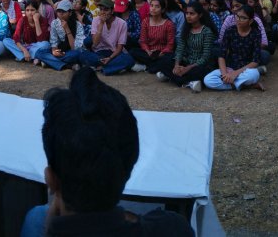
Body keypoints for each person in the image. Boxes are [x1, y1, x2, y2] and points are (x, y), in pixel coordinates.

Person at [19, 68, 193, 237]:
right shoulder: (174, 228)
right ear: (131, 165)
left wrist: (51, 228)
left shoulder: (41, 223)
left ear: (50, 179)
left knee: (36, 216)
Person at [204, 5, 265, 92]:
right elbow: (222, 55)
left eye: (243, 18)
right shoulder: (230, 31)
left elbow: (255, 61)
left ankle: (235, 84)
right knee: (208, 80)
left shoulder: (255, 33)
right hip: (230, 68)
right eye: (237, 16)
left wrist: (235, 74)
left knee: (254, 74)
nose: (239, 20)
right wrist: (225, 74)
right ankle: (245, 86)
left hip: (245, 70)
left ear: (250, 21)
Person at [80, 0, 136, 74]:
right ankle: (111, 67)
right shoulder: (96, 20)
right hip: (99, 53)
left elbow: (120, 48)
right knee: (82, 55)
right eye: (101, 9)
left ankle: (102, 67)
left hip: (114, 54)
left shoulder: (122, 23)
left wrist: (110, 58)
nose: (103, 12)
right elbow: (95, 43)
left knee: (129, 60)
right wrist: (101, 24)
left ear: (112, 11)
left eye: (106, 10)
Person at [129, 0, 177, 75]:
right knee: (133, 51)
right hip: (149, 52)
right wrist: (148, 51)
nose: (153, 8)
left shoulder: (169, 24)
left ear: (163, 10)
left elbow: (170, 44)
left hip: (162, 53)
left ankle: (148, 67)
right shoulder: (146, 22)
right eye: (151, 6)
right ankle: (155, 67)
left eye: (157, 6)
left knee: (170, 58)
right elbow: (143, 40)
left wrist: (161, 53)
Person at [35, 0, 84, 70]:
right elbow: (53, 41)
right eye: (59, 11)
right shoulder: (55, 23)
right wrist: (54, 51)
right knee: (39, 52)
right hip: (60, 49)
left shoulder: (78, 25)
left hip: (70, 51)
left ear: (70, 13)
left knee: (76, 54)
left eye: (63, 11)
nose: (61, 14)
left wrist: (67, 29)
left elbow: (75, 47)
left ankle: (50, 62)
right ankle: (68, 66)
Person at [3, 0, 51, 64]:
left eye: (32, 10)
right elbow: (16, 37)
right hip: (25, 46)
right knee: (6, 41)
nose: (30, 13)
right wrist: (24, 50)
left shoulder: (42, 20)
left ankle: (23, 56)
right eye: (27, 10)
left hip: (37, 46)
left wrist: (36, 21)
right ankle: (32, 56)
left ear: (37, 11)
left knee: (46, 44)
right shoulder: (23, 20)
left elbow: (41, 39)